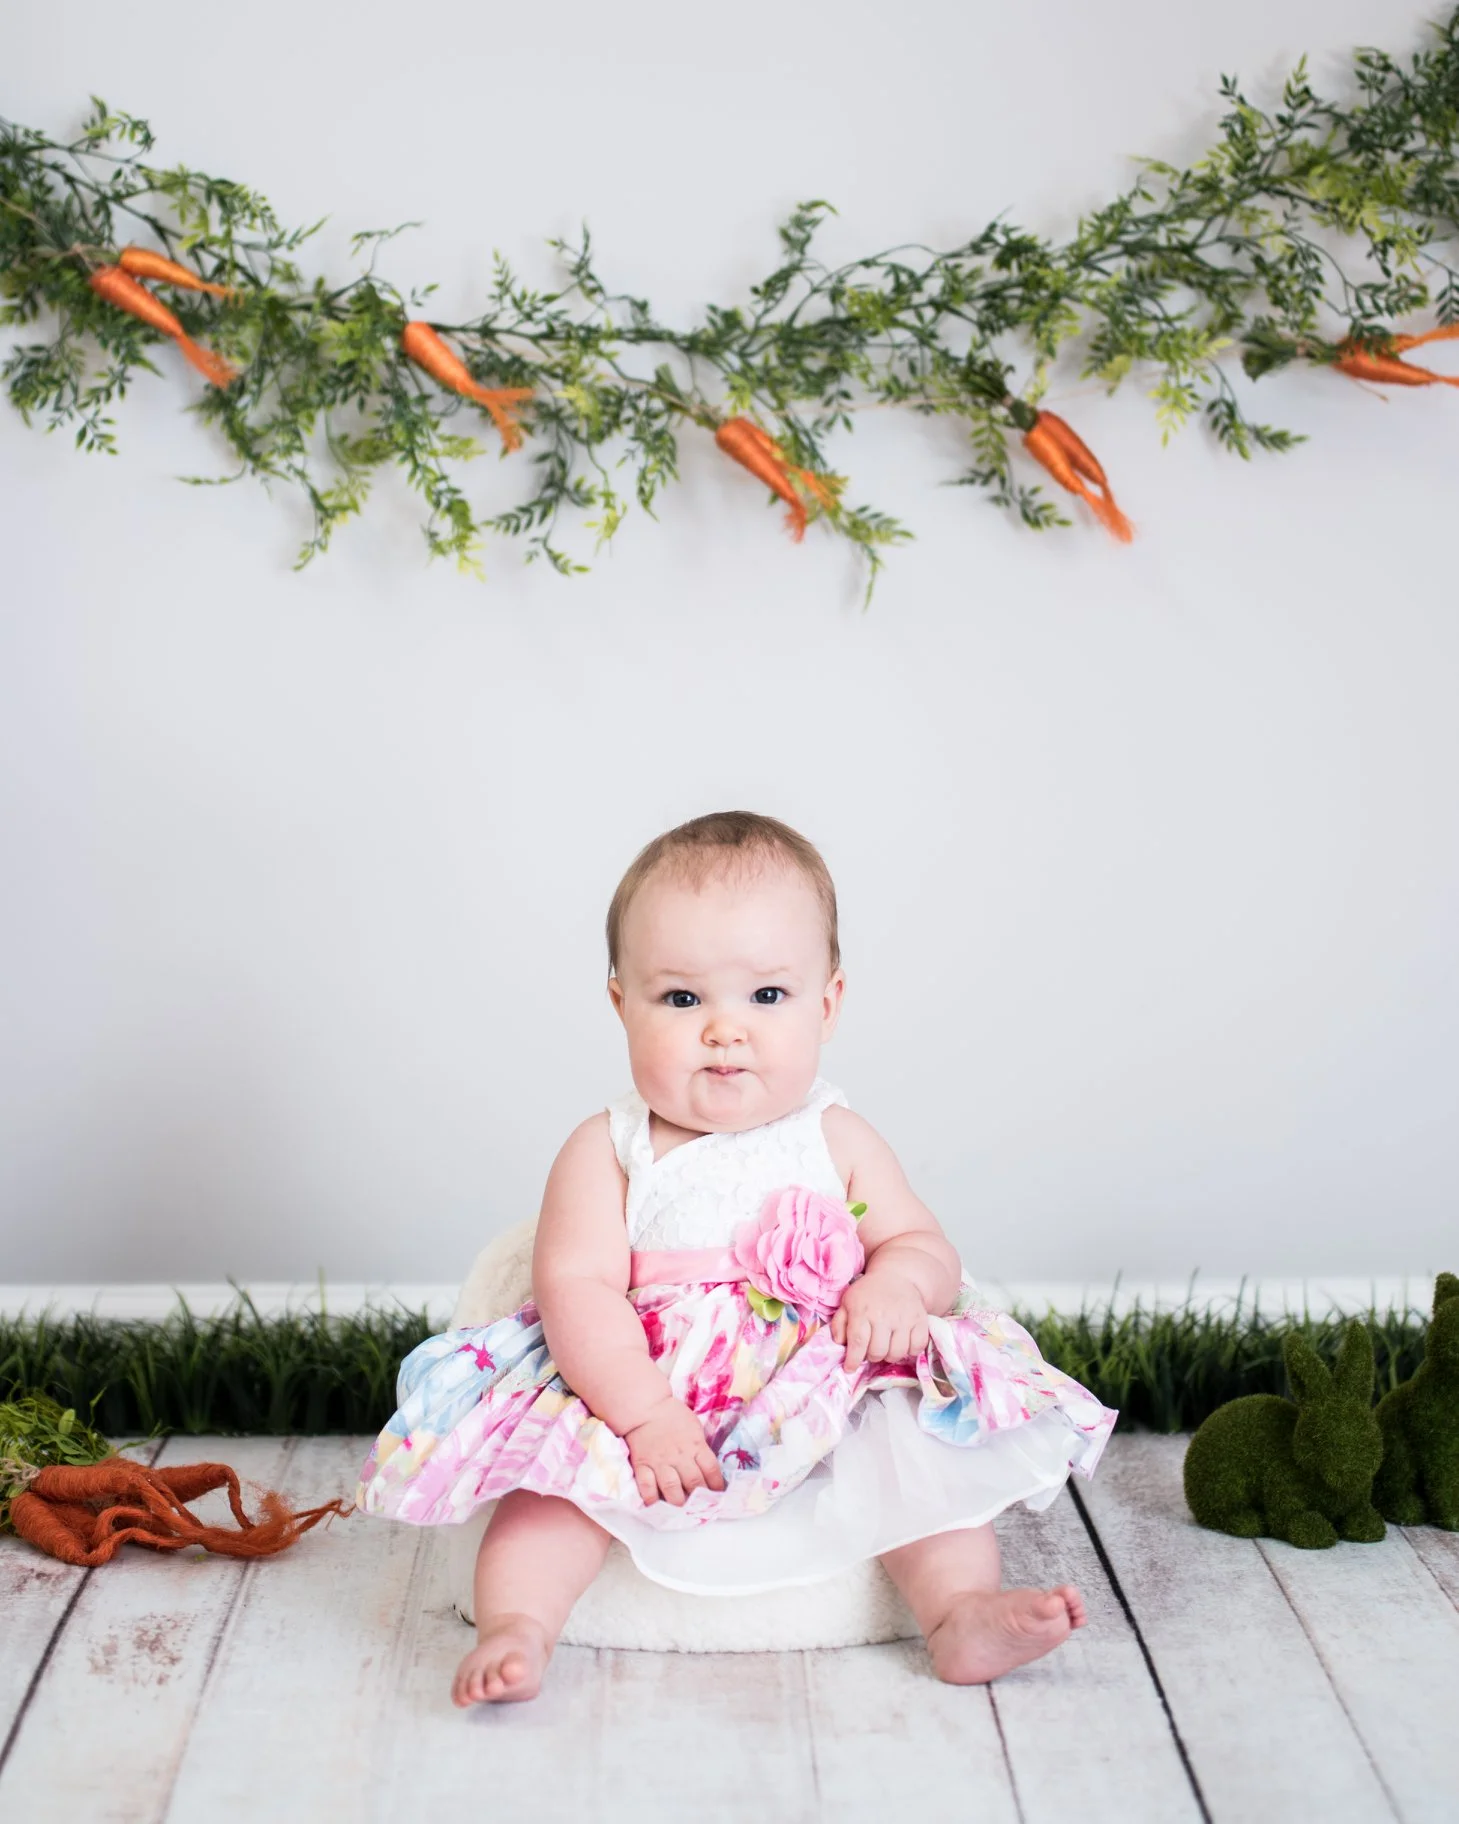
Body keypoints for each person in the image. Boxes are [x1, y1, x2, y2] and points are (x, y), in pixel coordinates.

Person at [355, 811, 1116, 1706]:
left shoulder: (835, 1134)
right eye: (682, 1000)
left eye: (766, 996)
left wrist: (896, 1284)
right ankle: (518, 1627)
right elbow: (575, 1286)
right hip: (649, 1380)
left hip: (821, 1371)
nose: (724, 1029)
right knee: (552, 1488)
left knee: (914, 1449)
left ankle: (959, 1612)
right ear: (621, 1005)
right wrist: (641, 1414)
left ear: (826, 1004)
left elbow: (920, 1243)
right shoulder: (610, 1146)